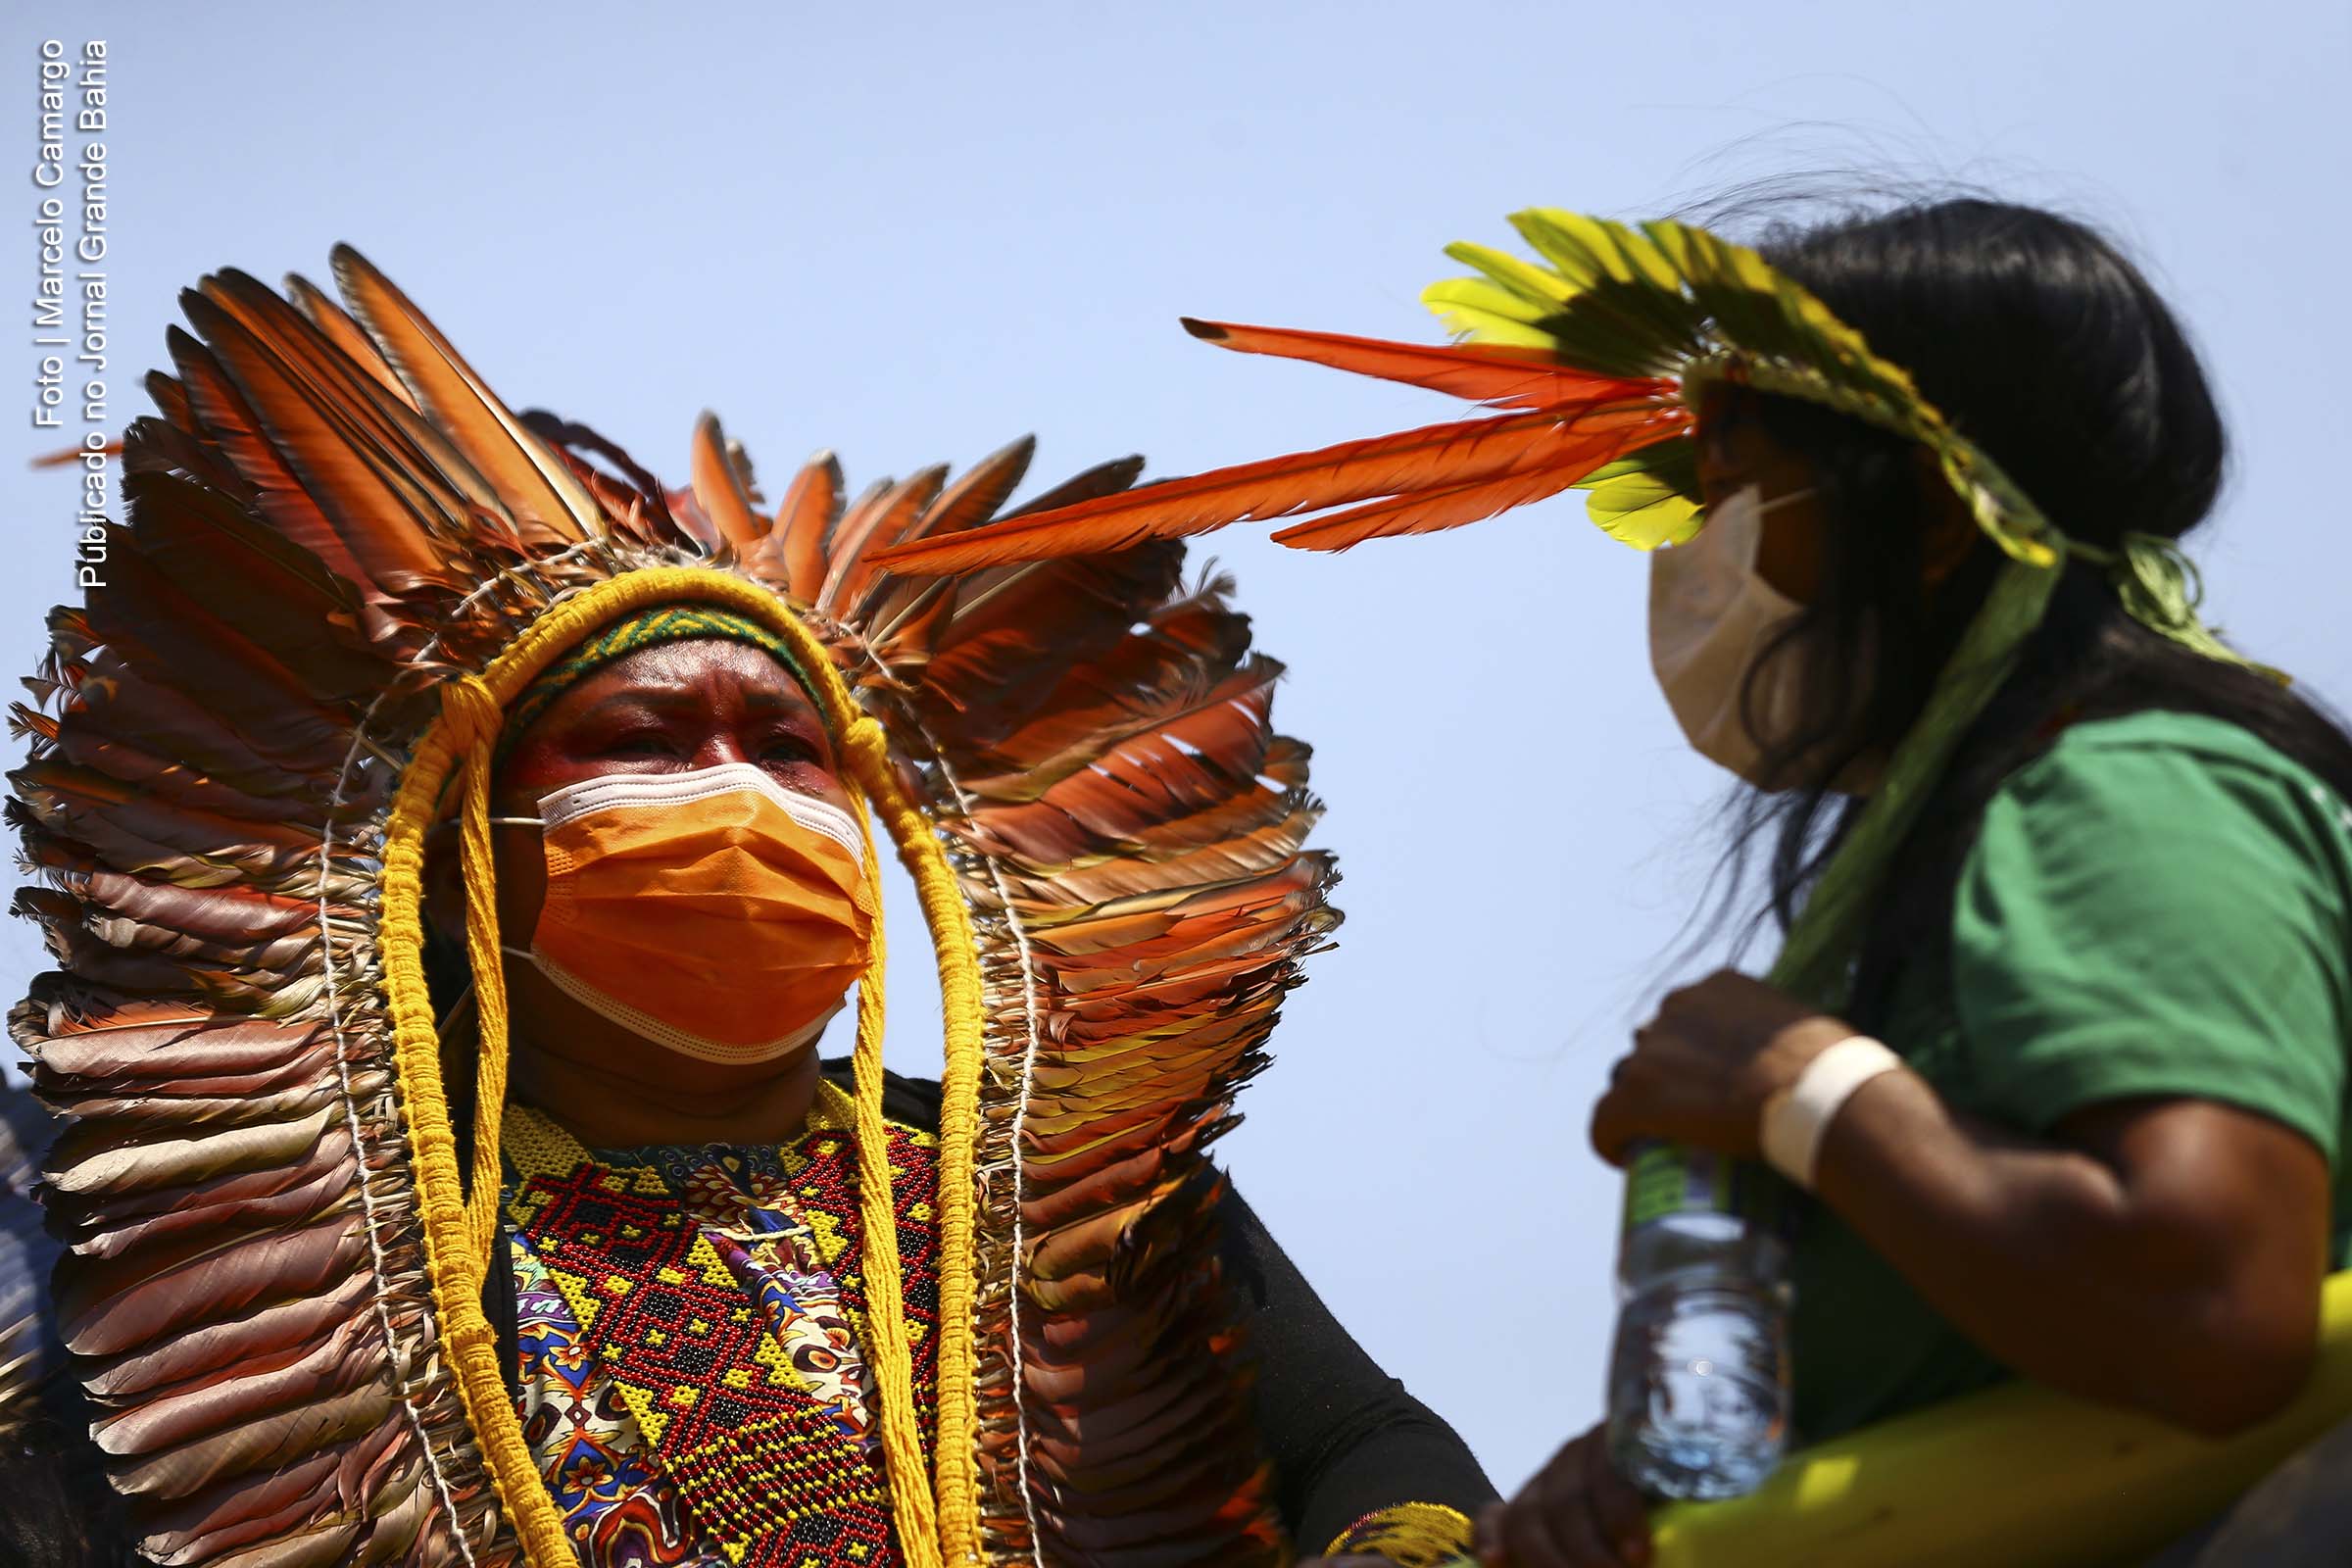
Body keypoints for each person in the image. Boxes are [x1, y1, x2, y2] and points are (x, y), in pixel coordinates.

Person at [872, 197, 2352, 1567]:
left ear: (1934, 527)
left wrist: (1812, 1096)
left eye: (1741, 496)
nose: (1701, 558)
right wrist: (1648, 1476)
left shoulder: (2123, 791)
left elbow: (2214, 1310)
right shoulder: (1950, 856)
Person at [12, 252, 1492, 1567]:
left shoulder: (1064, 1201)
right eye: (648, 745)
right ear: (470, 851)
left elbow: (1377, 1449)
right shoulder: (272, 1221)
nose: (743, 795)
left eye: (790, 750)